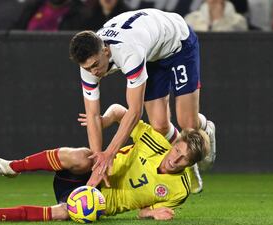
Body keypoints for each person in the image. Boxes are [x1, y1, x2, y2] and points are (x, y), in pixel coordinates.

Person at [0, 104, 209, 222]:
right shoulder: (155, 141)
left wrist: (153, 214)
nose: (175, 157)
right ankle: (12, 167)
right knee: (83, 155)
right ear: (174, 143)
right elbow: (119, 111)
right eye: (177, 149)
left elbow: (143, 211)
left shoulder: (181, 190)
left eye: (183, 158)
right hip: (91, 172)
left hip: (98, 203)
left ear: (190, 164)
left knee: (61, 213)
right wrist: (104, 119)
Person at [69, 8, 216, 193]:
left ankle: (206, 127)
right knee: (160, 126)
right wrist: (98, 161)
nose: (94, 72)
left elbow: (134, 111)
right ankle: (190, 163)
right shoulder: (89, 64)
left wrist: (110, 154)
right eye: (88, 68)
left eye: (96, 65)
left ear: (106, 51)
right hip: (152, 53)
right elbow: (92, 115)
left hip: (178, 44)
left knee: (188, 124)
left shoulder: (129, 52)